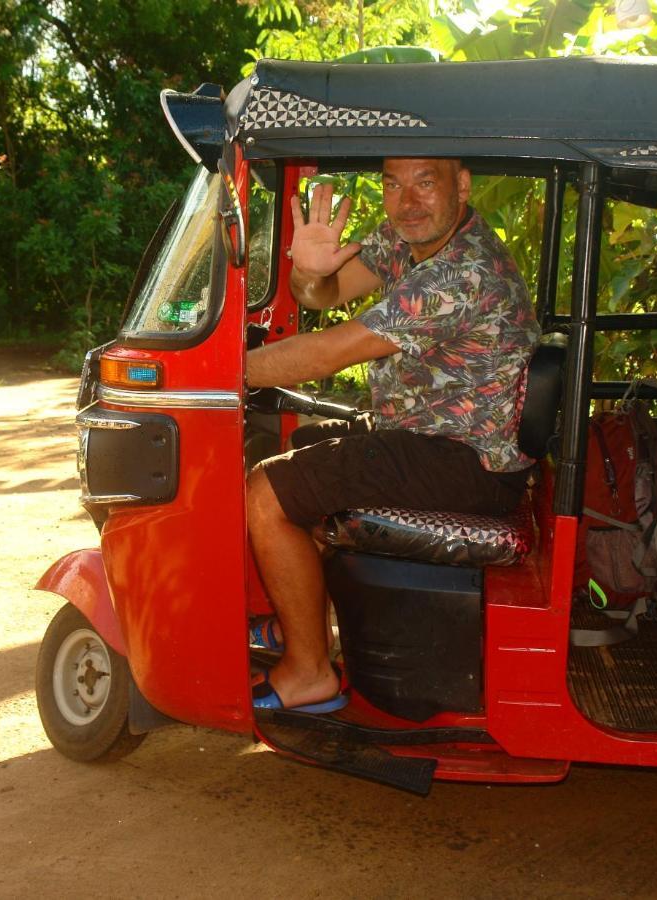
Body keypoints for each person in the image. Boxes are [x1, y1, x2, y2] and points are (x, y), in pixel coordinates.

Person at [246, 157, 540, 712]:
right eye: (392, 184)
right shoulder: (408, 240)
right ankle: (306, 625)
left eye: (425, 182)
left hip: (467, 460)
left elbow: (333, 349)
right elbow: (323, 295)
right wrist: (308, 269)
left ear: (462, 184)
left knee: (268, 494)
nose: (407, 201)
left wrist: (221, 371)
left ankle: (309, 672)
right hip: (420, 433)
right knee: (302, 454)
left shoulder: (462, 272)